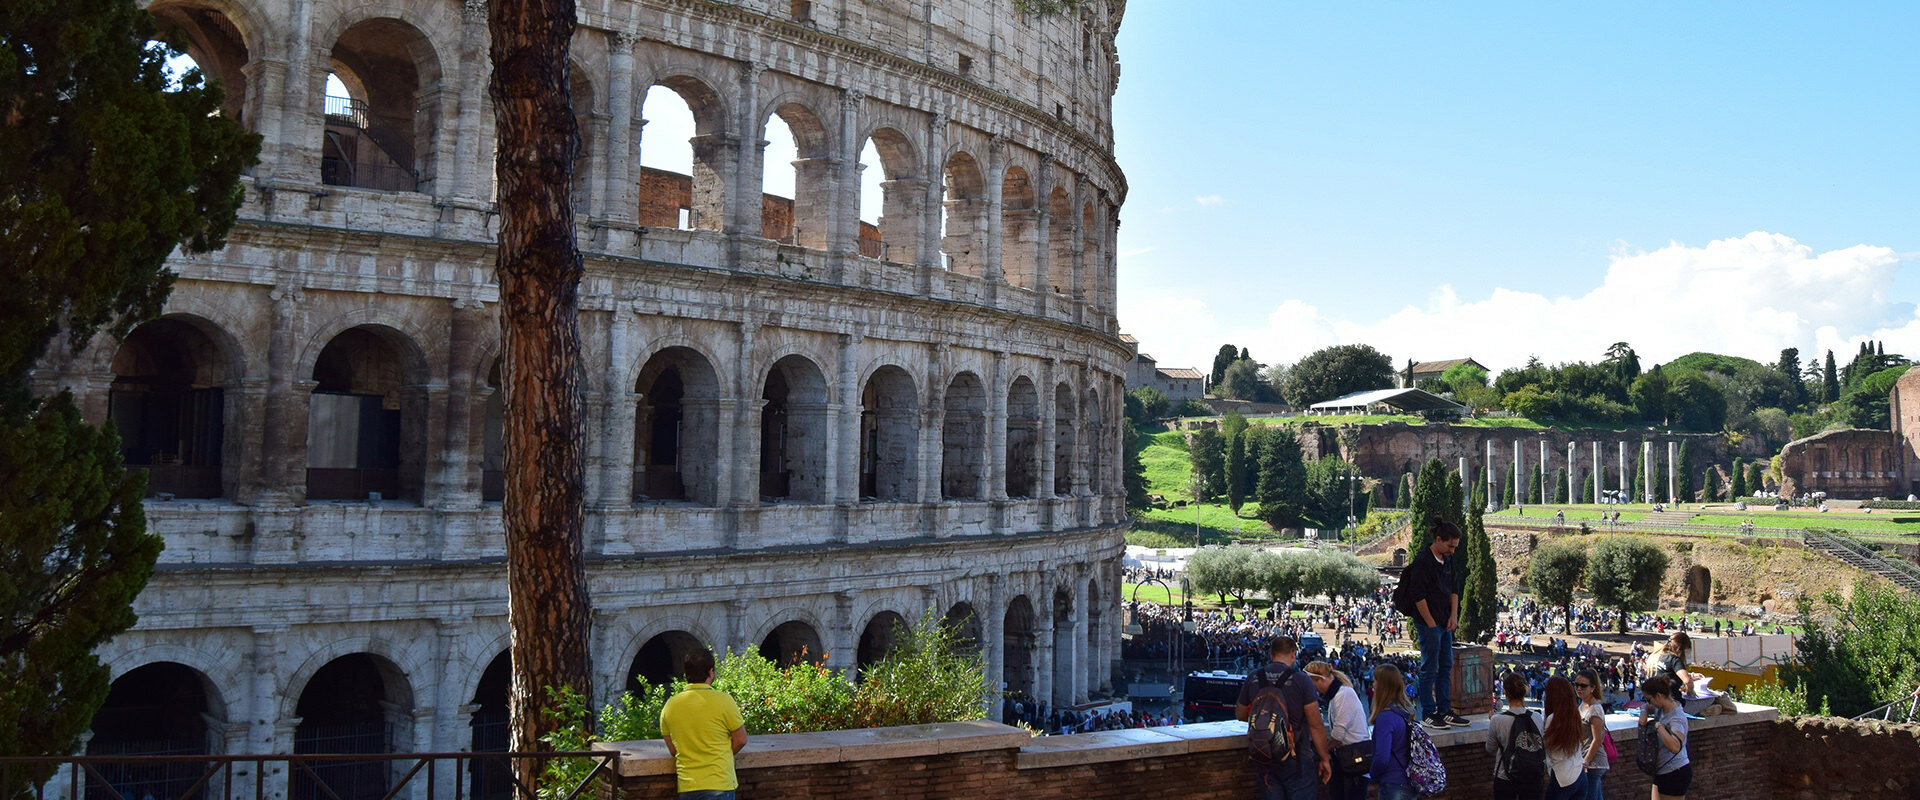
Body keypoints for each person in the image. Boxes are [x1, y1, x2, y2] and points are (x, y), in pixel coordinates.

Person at [1236, 636, 1334, 800]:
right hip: (1296, 757)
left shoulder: (1253, 677)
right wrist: (1325, 759)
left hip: (1264, 755)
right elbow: (1315, 724)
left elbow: (1240, 714)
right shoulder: (1301, 680)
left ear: (1271, 655)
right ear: (1293, 654)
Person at [1401, 516, 1468, 729]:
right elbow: (1417, 595)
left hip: (1444, 621)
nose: (1452, 551)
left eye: (1455, 547)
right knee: (1430, 668)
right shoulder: (1423, 562)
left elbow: (1454, 589)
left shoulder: (1447, 560)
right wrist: (1430, 622)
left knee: (1446, 666)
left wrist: (1454, 616)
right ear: (1438, 540)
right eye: (1450, 546)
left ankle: (1445, 710)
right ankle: (1429, 713)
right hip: (1429, 623)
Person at [659, 648, 748, 800]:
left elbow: (673, 749)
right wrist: (722, 753)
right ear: (711, 672)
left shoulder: (670, 705)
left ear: (686, 673)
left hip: (688, 786)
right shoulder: (724, 701)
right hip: (719, 783)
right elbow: (741, 740)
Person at [1305, 661, 1370, 800]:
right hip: (1348, 761)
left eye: (1312, 684)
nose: (1313, 689)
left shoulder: (1343, 695)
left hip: (1353, 763)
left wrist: (1322, 752)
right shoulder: (1338, 695)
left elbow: (1338, 735)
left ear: (1320, 680)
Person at [1486, 672, 1546, 800]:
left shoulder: (1497, 720)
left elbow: (1490, 749)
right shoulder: (1537, 717)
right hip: (1532, 775)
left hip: (1506, 775)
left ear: (1506, 692)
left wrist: (1492, 720)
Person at [1366, 664, 1417, 800]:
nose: (1373, 685)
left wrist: (1373, 777)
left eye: (1375, 681)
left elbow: (1382, 757)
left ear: (1382, 686)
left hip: (1392, 783)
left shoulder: (1385, 717)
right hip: (1409, 781)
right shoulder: (1404, 713)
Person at [1639, 675, 1691, 799]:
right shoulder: (1661, 709)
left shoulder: (1676, 717)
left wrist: (1659, 727)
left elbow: (1675, 746)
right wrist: (1644, 711)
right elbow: (1647, 707)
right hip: (1661, 770)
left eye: (1649, 699)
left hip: (1675, 772)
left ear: (1658, 696)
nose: (1648, 702)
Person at [1541, 676, 1589, 799]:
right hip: (1579, 774)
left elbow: (1547, 747)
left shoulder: (1553, 719)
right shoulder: (1575, 714)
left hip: (1562, 778)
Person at [1573, 668, 1609, 800]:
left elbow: (1597, 739)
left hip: (1593, 763)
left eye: (1583, 686)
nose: (1579, 688)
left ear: (1592, 688)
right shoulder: (1582, 704)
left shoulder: (1594, 709)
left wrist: (1586, 762)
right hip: (1585, 759)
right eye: (1576, 684)